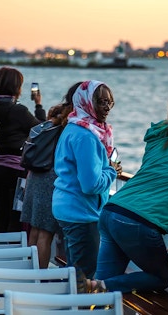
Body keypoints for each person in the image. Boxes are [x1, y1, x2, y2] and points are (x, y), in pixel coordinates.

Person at [92, 89, 168, 294]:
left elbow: (150, 168)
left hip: (113, 210)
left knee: (100, 288)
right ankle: (102, 286)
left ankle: (94, 289)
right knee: (160, 278)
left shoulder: (157, 133)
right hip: (138, 220)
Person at [52, 80, 121, 279]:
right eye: (101, 102)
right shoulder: (86, 137)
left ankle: (68, 305)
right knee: (85, 275)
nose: (107, 107)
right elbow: (90, 185)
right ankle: (78, 308)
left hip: (67, 207)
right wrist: (111, 170)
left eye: (110, 102)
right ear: (86, 102)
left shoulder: (74, 127)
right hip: (81, 213)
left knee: (74, 269)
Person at [20, 81, 82, 268]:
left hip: (36, 176)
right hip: (52, 178)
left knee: (34, 231)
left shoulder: (55, 114)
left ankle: (26, 275)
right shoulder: (74, 120)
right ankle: (37, 280)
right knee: (45, 235)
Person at [0, 66, 46, 232]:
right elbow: (41, 130)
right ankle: (12, 252)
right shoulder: (18, 110)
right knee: (15, 216)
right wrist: (39, 105)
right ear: (17, 87)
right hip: (15, 169)